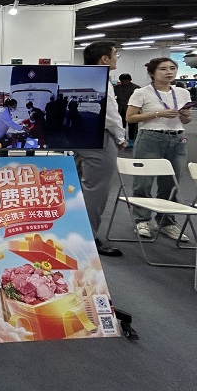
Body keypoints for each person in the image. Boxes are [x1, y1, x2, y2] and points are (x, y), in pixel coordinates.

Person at [125, 57, 192, 241]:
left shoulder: (182, 92)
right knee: (144, 182)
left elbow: (186, 121)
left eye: (172, 68)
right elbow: (130, 118)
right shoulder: (142, 92)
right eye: (163, 69)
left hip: (177, 139)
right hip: (151, 137)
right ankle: (142, 220)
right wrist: (158, 113)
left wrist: (185, 116)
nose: (169, 72)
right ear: (152, 73)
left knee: (171, 183)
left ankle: (167, 222)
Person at [73, 41, 126, 257]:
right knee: (96, 191)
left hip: (76, 137)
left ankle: (72, 231)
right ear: (104, 58)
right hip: (98, 139)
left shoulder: (80, 77)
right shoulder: (102, 79)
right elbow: (110, 115)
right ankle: (88, 237)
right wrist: (120, 136)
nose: (116, 58)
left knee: (74, 186)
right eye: (115, 54)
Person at [114, 73, 139, 145]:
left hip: (132, 109)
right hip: (120, 109)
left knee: (133, 126)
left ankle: (132, 140)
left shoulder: (136, 88)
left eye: (126, 81)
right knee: (121, 125)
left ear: (130, 80)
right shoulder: (116, 88)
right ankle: (122, 140)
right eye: (122, 81)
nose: (124, 83)